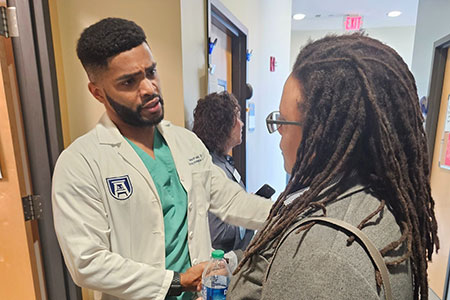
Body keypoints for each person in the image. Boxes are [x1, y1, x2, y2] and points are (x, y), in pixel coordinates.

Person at [51, 17, 273, 300]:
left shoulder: (186, 142)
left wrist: (293, 213)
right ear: (98, 92)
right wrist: (177, 280)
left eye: (151, 72)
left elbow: (230, 201)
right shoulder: (80, 163)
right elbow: (87, 263)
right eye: (129, 82)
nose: (149, 88)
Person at [227, 33, 439, 300]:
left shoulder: (323, 261)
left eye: (284, 121)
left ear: (324, 133)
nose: (278, 131)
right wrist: (234, 264)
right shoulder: (369, 199)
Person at [192, 92, 254, 253]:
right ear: (222, 126)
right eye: (236, 120)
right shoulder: (210, 169)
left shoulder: (224, 161)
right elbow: (217, 234)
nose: (242, 124)